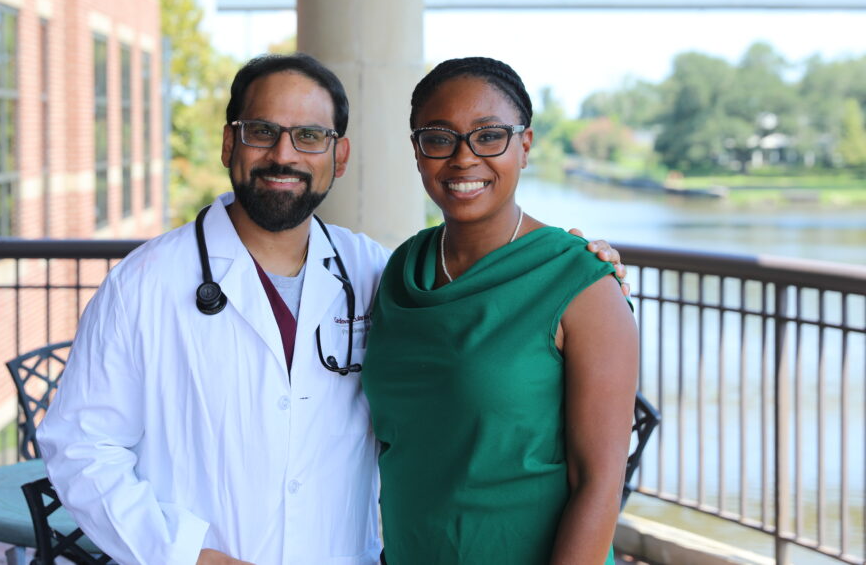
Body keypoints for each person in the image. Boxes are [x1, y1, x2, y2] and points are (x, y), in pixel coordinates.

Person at [38, 53, 626, 565]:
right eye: (261, 131)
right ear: (227, 144)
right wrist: (185, 555)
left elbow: (491, 317)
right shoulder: (145, 284)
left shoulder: (372, 271)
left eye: (310, 137)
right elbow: (81, 448)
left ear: (338, 156)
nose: (284, 154)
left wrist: (580, 264)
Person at [362, 57, 639, 565]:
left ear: (525, 146)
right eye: (439, 138)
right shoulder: (403, 268)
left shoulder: (580, 283)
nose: (464, 158)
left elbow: (599, 484)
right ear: (418, 152)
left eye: (489, 136)